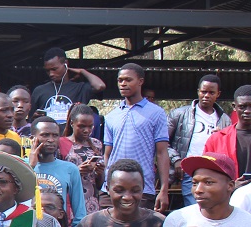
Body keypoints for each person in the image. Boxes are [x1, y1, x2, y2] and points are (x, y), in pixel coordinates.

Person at [104, 63, 170, 212]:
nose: (123, 84)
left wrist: (164, 189)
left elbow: (162, 153)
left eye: (128, 79)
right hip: (112, 189)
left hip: (141, 189)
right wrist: (106, 183)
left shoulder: (156, 113)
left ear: (140, 81)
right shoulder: (111, 116)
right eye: (120, 80)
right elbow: (107, 154)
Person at [168, 75, 227, 207]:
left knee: (212, 209)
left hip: (213, 172)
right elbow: (162, 143)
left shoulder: (225, 120)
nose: (206, 95)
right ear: (198, 91)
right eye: (203, 92)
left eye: (211, 92)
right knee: (194, 208)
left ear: (218, 94)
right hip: (189, 171)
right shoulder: (179, 114)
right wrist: (176, 160)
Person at [31, 116, 87, 227]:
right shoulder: (22, 165)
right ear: (33, 138)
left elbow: (80, 212)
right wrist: (31, 166)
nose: (51, 140)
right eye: (45, 135)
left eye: (55, 135)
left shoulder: (70, 169)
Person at [30, 47, 107, 129]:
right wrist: (35, 119)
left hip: (72, 140)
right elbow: (30, 120)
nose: (51, 74)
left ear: (66, 64)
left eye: (54, 69)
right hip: (48, 138)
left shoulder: (80, 88)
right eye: (48, 71)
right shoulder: (39, 91)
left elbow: (100, 86)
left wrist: (82, 71)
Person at [64, 105, 105, 213]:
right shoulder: (61, 144)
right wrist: (76, 171)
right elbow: (57, 177)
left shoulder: (97, 144)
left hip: (91, 201)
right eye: (82, 126)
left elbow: (99, 184)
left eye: (90, 126)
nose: (87, 130)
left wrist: (100, 172)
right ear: (72, 123)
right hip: (70, 201)